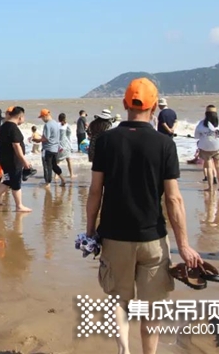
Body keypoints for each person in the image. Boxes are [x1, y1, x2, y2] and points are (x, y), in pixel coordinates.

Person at [86, 77, 202, 354]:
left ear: (125, 104)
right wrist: (184, 245)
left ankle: (123, 350)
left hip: (114, 237)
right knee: (152, 307)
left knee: (118, 301)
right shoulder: (164, 144)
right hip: (152, 238)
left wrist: (90, 233)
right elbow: (173, 198)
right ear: (153, 107)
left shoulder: (105, 141)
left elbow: (94, 192)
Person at [0, 106, 32, 213]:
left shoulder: (4, 126)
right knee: (15, 182)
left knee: (8, 180)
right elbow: (16, 146)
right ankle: (19, 206)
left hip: (4, 159)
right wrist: (24, 161)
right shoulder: (13, 128)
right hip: (13, 160)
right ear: (20, 117)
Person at [195, 105, 219, 192]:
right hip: (218, 148)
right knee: (218, 167)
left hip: (206, 148)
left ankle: (210, 188)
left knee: (209, 168)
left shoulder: (201, 124)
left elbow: (196, 136)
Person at [35, 109, 65, 187]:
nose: (42, 119)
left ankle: (47, 183)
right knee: (54, 165)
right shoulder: (55, 123)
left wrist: (37, 140)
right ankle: (63, 179)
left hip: (47, 148)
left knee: (47, 165)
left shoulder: (47, 125)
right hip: (55, 149)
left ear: (45, 116)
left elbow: (46, 138)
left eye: (42, 117)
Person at [57, 113, 74, 178]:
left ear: (58, 119)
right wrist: (71, 146)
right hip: (65, 144)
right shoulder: (67, 125)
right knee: (69, 159)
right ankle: (71, 174)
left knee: (57, 161)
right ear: (65, 118)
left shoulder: (56, 125)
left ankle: (56, 175)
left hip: (58, 145)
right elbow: (69, 136)